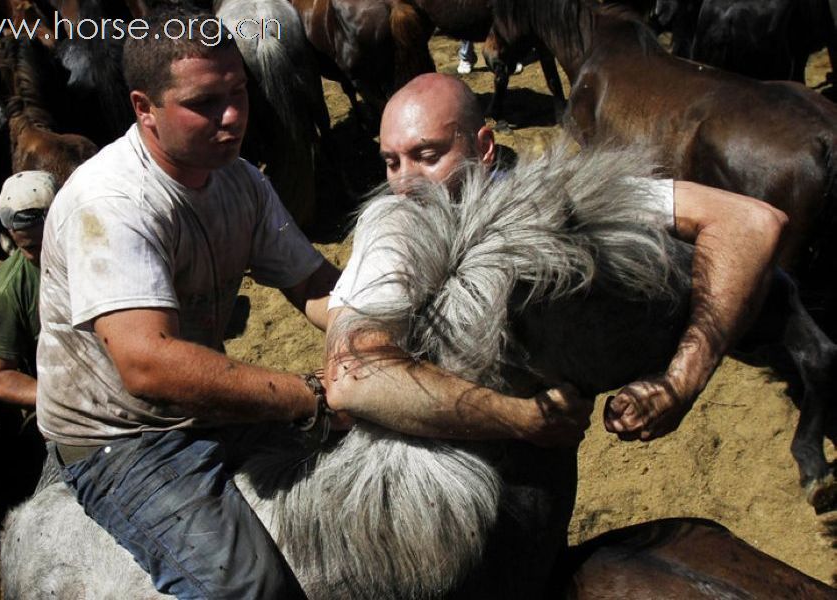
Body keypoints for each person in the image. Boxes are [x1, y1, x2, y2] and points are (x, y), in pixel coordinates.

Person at [321, 73, 785, 592]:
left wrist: (681, 380)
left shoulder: (553, 195)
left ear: (485, 147)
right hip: (432, 512)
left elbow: (750, 222)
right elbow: (349, 379)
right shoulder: (394, 228)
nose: (405, 183)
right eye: (391, 161)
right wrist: (522, 418)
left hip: (536, 501)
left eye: (427, 155)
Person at [36, 8, 339, 599]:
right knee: (249, 587)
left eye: (239, 93)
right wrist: (313, 395)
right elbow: (146, 363)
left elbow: (315, 284)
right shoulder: (113, 202)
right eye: (203, 103)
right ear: (143, 108)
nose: (233, 118)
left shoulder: (241, 180)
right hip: (122, 437)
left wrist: (372, 328)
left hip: (202, 406)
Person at [0, 170, 57, 408]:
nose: (44, 254)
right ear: (11, 233)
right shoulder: (4, 293)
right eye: (31, 248)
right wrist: (62, 402)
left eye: (49, 241)